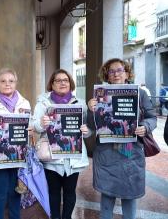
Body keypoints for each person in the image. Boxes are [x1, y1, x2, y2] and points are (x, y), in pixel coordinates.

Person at [87, 58, 157, 219]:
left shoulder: (140, 93)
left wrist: (145, 127)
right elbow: (92, 125)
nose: (116, 74)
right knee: (107, 195)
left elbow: (152, 117)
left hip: (131, 154)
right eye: (111, 71)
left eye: (120, 70)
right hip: (106, 154)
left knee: (130, 195)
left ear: (126, 73)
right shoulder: (99, 95)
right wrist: (91, 110)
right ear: (107, 75)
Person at [33, 69, 91, 219]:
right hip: (52, 157)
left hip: (73, 157)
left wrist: (87, 131)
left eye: (65, 80)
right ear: (52, 84)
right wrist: (42, 123)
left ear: (70, 83)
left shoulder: (81, 104)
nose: (62, 83)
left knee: (70, 192)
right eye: (58, 80)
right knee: (53, 192)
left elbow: (89, 129)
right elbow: (36, 127)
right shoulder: (43, 103)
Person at [0, 68, 32, 219]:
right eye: (3, 81)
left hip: (18, 158)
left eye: (11, 81)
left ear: (16, 83)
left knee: (16, 193)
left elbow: (31, 125)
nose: (7, 84)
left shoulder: (25, 103)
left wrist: (30, 130)